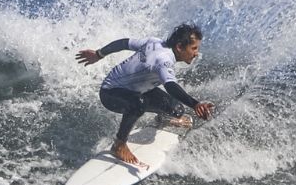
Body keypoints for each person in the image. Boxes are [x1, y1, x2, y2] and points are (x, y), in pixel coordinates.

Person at [76, 23, 214, 167]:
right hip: (111, 92)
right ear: (179, 47)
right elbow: (171, 86)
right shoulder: (164, 60)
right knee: (138, 104)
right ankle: (119, 144)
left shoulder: (154, 42)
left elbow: (124, 43)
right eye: (194, 48)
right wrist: (195, 104)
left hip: (139, 90)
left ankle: (163, 117)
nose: (196, 53)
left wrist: (99, 54)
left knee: (177, 110)